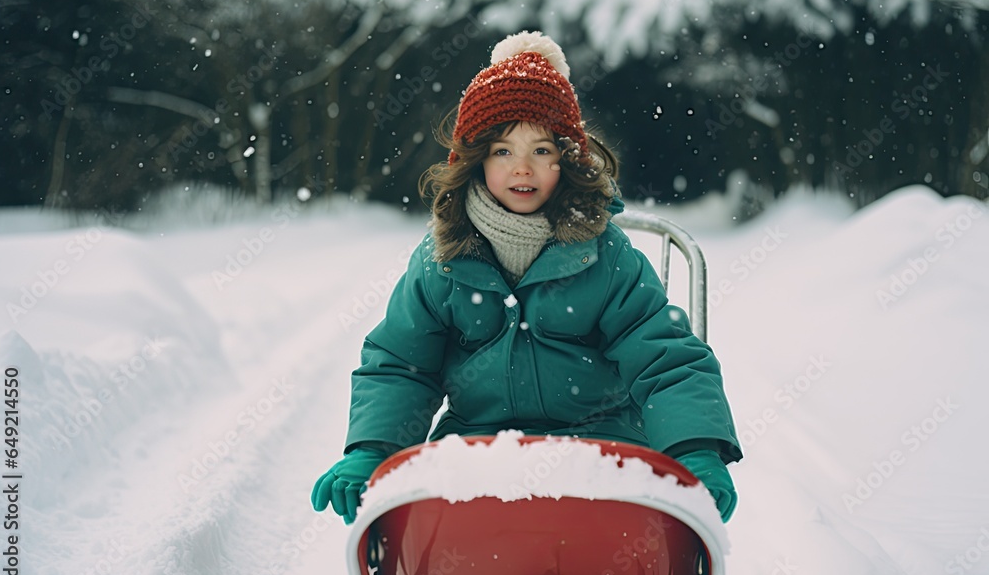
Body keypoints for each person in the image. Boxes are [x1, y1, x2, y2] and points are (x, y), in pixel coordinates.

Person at [311, 30, 742, 524]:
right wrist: (372, 449)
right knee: (437, 551)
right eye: (501, 151)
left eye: (541, 150)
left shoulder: (607, 256)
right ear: (474, 160)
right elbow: (401, 364)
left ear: (567, 158)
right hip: (478, 454)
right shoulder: (443, 260)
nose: (523, 168)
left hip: (601, 452)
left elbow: (665, 359)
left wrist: (695, 449)